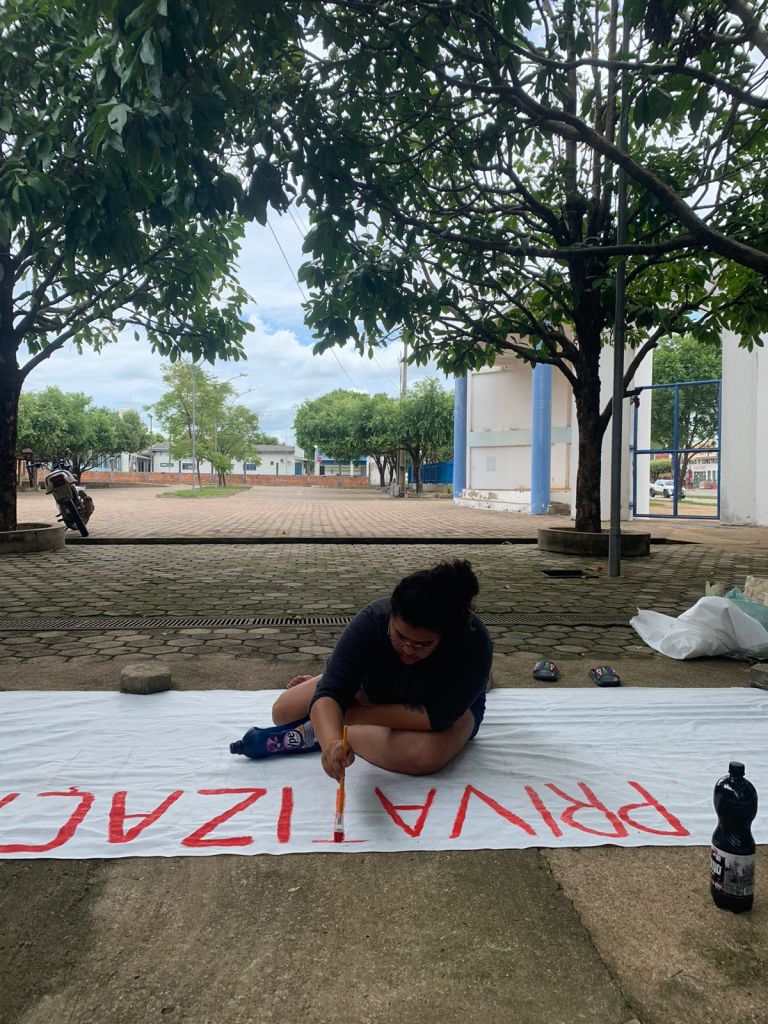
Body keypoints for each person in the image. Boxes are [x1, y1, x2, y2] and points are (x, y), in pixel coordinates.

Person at [229, 560, 493, 779]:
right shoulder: (372, 620)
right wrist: (332, 743)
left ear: (445, 635)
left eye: (423, 644)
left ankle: (338, 730)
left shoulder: (473, 642)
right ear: (391, 617)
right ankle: (338, 702)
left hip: (438, 710)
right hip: (377, 687)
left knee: (423, 755)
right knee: (283, 711)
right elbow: (330, 694)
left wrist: (349, 717)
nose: (408, 649)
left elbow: (437, 717)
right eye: (400, 637)